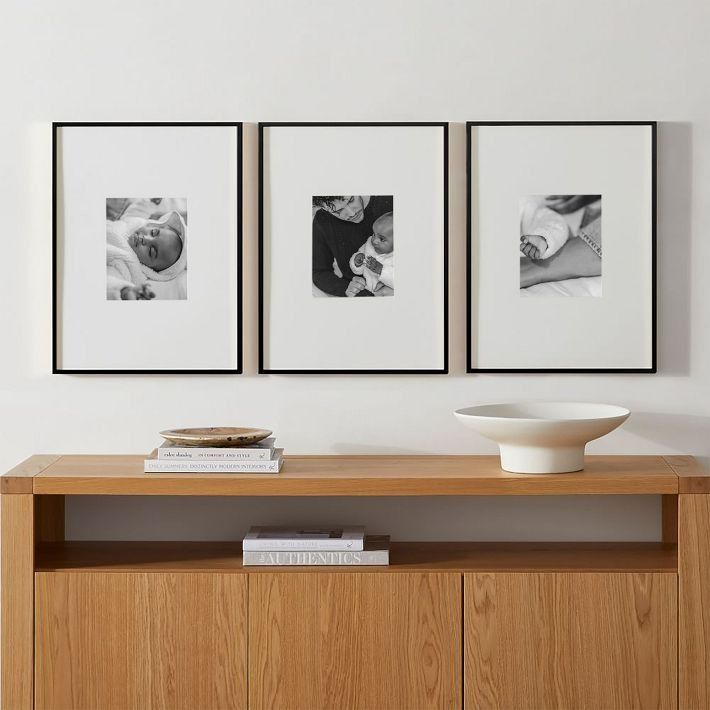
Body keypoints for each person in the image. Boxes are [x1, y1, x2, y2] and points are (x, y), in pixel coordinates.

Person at [312, 195, 393, 297]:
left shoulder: (390, 200)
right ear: (323, 208)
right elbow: (319, 272)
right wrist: (350, 289)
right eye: (338, 211)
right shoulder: (322, 220)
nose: (352, 213)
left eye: (351, 200)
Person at [106, 211, 187, 300]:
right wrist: (150, 202)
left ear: (150, 269)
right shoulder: (136, 224)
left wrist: (124, 291)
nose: (146, 239)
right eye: (153, 232)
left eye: (151, 251)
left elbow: (109, 280)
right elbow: (137, 210)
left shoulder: (127, 265)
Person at [348, 212, 394, 296]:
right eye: (374, 234)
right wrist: (357, 261)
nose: (374, 240)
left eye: (381, 239)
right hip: (367, 290)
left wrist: (381, 270)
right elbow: (358, 271)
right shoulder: (369, 245)